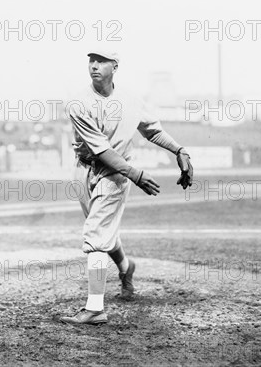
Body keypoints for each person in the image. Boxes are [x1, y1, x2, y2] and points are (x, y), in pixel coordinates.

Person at [60, 51, 193, 326]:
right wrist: (137, 175)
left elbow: (152, 130)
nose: (94, 65)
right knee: (102, 229)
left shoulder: (131, 100)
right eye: (91, 60)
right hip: (84, 169)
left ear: (115, 67)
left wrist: (179, 150)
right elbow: (100, 149)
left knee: (96, 233)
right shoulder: (78, 103)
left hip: (116, 174)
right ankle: (125, 266)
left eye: (102, 60)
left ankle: (95, 308)